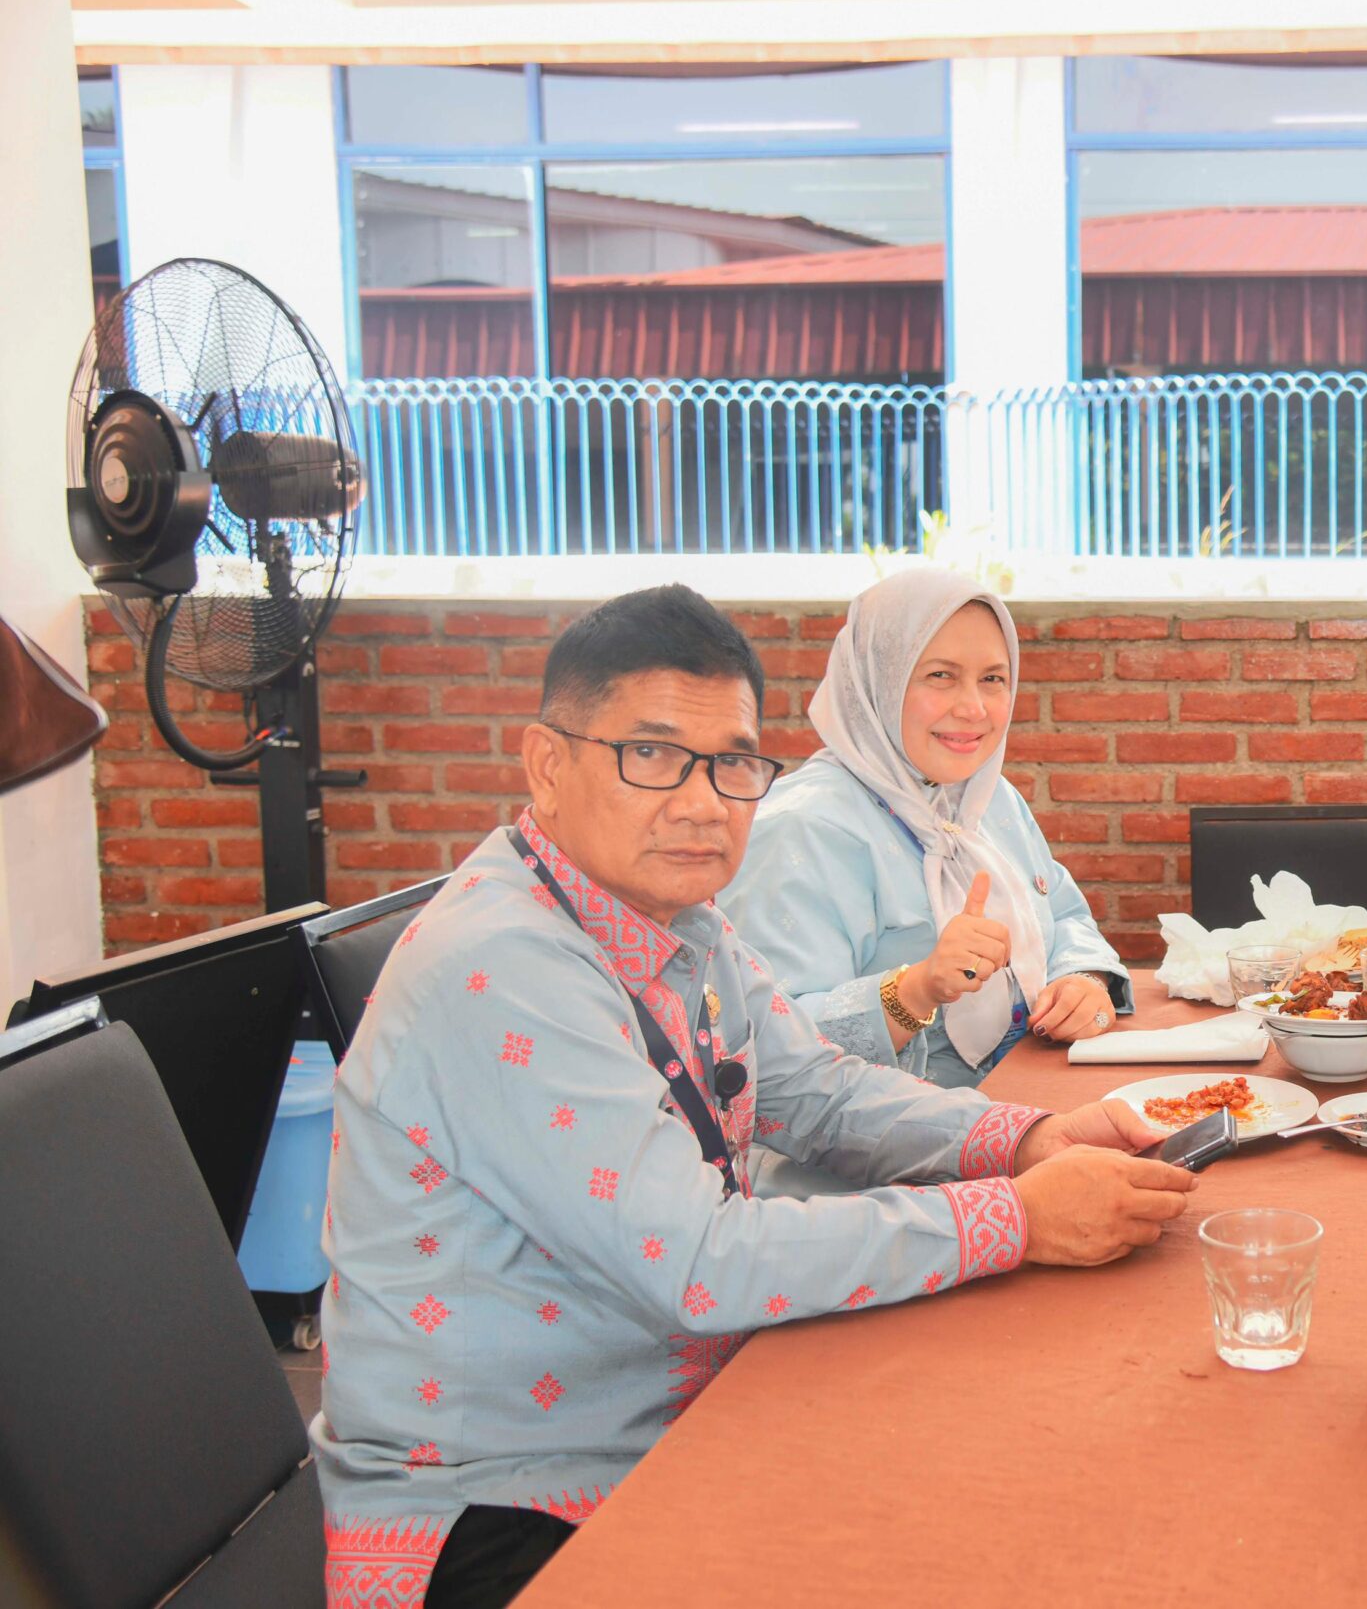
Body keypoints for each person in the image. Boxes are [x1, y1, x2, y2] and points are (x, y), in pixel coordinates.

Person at [314, 586, 1196, 1609]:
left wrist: (1028, 1136)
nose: (702, 803)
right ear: (546, 765)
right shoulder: (506, 965)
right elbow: (700, 1261)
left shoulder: (675, 919)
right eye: (650, 755)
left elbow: (814, 1090)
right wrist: (1017, 1218)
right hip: (508, 1497)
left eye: (731, 763)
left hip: (682, 1401)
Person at [722, 570, 1128, 1091]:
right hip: (883, 1135)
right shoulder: (802, 828)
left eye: (993, 679)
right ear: (878, 682)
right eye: (940, 675)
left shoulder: (985, 799)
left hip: (1026, 1095)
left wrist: (1082, 980)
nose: (973, 708)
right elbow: (765, 1047)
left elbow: (1064, 915)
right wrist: (913, 990)